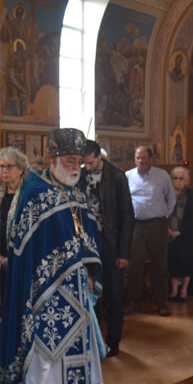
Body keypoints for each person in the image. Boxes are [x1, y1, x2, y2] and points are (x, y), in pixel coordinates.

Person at [0, 128, 107, 384]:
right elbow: (25, 247)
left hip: (77, 285)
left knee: (77, 338)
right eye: (70, 161)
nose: (76, 167)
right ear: (54, 159)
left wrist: (89, 270)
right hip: (44, 288)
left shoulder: (75, 191)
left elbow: (88, 235)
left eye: (78, 162)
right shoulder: (35, 192)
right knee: (48, 343)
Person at [80, 140, 135, 357]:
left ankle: (113, 341)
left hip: (111, 242)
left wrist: (123, 252)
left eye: (91, 163)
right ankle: (93, 341)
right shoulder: (81, 175)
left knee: (114, 293)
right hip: (88, 241)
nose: (87, 167)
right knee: (90, 291)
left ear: (99, 157)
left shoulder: (116, 176)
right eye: (84, 163)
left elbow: (127, 215)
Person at [125, 146, 175, 316]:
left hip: (157, 225)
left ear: (151, 159)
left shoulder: (162, 176)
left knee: (160, 265)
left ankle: (162, 303)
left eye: (144, 157)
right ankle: (134, 302)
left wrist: (163, 216)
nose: (141, 161)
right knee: (134, 266)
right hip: (136, 225)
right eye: (138, 158)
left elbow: (171, 199)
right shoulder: (128, 176)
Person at [168, 166, 193, 301]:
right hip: (169, 234)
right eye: (175, 178)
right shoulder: (167, 194)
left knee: (187, 263)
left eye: (181, 178)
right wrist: (169, 230)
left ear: (186, 180)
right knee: (172, 263)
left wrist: (180, 231)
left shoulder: (191, 195)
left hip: (186, 235)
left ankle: (184, 290)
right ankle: (174, 290)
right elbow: (162, 213)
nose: (178, 181)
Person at [0, 147, 28, 299]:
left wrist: (9, 259)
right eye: (1, 166)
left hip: (19, 260)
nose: (4, 170)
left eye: (9, 166)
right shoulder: (1, 192)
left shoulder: (27, 194)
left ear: (21, 169)